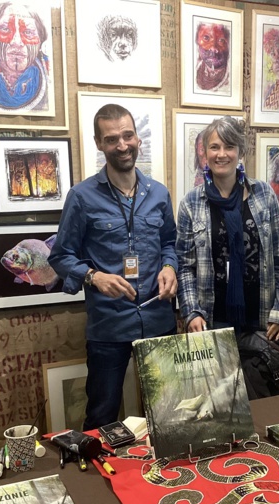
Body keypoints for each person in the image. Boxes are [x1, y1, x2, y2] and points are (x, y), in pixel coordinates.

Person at [48, 104, 178, 431]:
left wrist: (170, 266)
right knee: (102, 416)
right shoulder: (81, 197)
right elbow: (60, 257)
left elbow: (170, 243)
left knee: (171, 414)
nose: (122, 145)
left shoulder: (159, 194)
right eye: (111, 139)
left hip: (159, 320)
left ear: (138, 138)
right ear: (98, 143)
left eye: (127, 135)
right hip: (109, 326)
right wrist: (93, 276)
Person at [176, 116, 279, 341]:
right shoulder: (190, 203)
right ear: (205, 152)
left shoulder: (264, 194)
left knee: (259, 377)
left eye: (229, 146)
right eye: (214, 147)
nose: (222, 154)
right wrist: (191, 311)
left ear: (241, 151)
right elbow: (184, 267)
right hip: (211, 321)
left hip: (262, 320)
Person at [0, 2, 50, 112]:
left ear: (41, 41)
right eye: (5, 29)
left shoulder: (48, 81)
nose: (16, 42)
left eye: (28, 32)